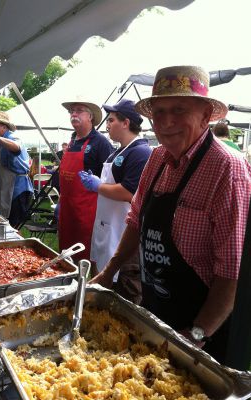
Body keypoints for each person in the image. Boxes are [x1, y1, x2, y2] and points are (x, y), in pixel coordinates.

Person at [90, 65, 251, 364]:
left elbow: (231, 271)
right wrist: (109, 272)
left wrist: (195, 336)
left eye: (179, 109)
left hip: (203, 329)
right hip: (156, 309)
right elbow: (136, 221)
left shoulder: (227, 169)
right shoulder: (157, 159)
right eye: (159, 112)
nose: (166, 122)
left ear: (205, 115)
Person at [79, 99, 152, 304]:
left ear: (126, 122)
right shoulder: (117, 151)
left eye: (111, 120)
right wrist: (96, 181)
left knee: (123, 291)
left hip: (122, 231)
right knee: (103, 281)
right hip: (106, 227)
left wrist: (97, 186)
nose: (107, 125)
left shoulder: (139, 152)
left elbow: (129, 192)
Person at [58, 100, 114, 261]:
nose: (73, 114)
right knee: (67, 254)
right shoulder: (72, 140)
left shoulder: (100, 142)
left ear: (90, 117)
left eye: (79, 110)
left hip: (88, 209)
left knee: (86, 253)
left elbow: (109, 178)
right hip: (67, 207)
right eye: (71, 111)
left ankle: (86, 282)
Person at [0, 111, 33, 228]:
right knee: (3, 223)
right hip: (6, 187)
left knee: (13, 226)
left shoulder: (12, 137)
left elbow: (16, 147)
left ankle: (18, 245)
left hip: (18, 189)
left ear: (4, 126)